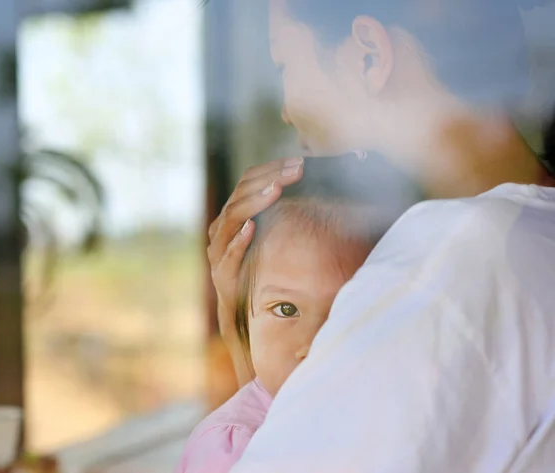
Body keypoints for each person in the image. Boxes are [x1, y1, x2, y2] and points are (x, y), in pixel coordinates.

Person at [205, 0, 555, 471]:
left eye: (283, 64)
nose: (286, 111)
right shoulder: (526, 237)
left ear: (368, 55)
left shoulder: (443, 269)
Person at [179, 156, 419, 473]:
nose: (312, 345)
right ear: (243, 314)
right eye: (286, 309)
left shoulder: (394, 416)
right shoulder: (233, 447)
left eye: (344, 311)